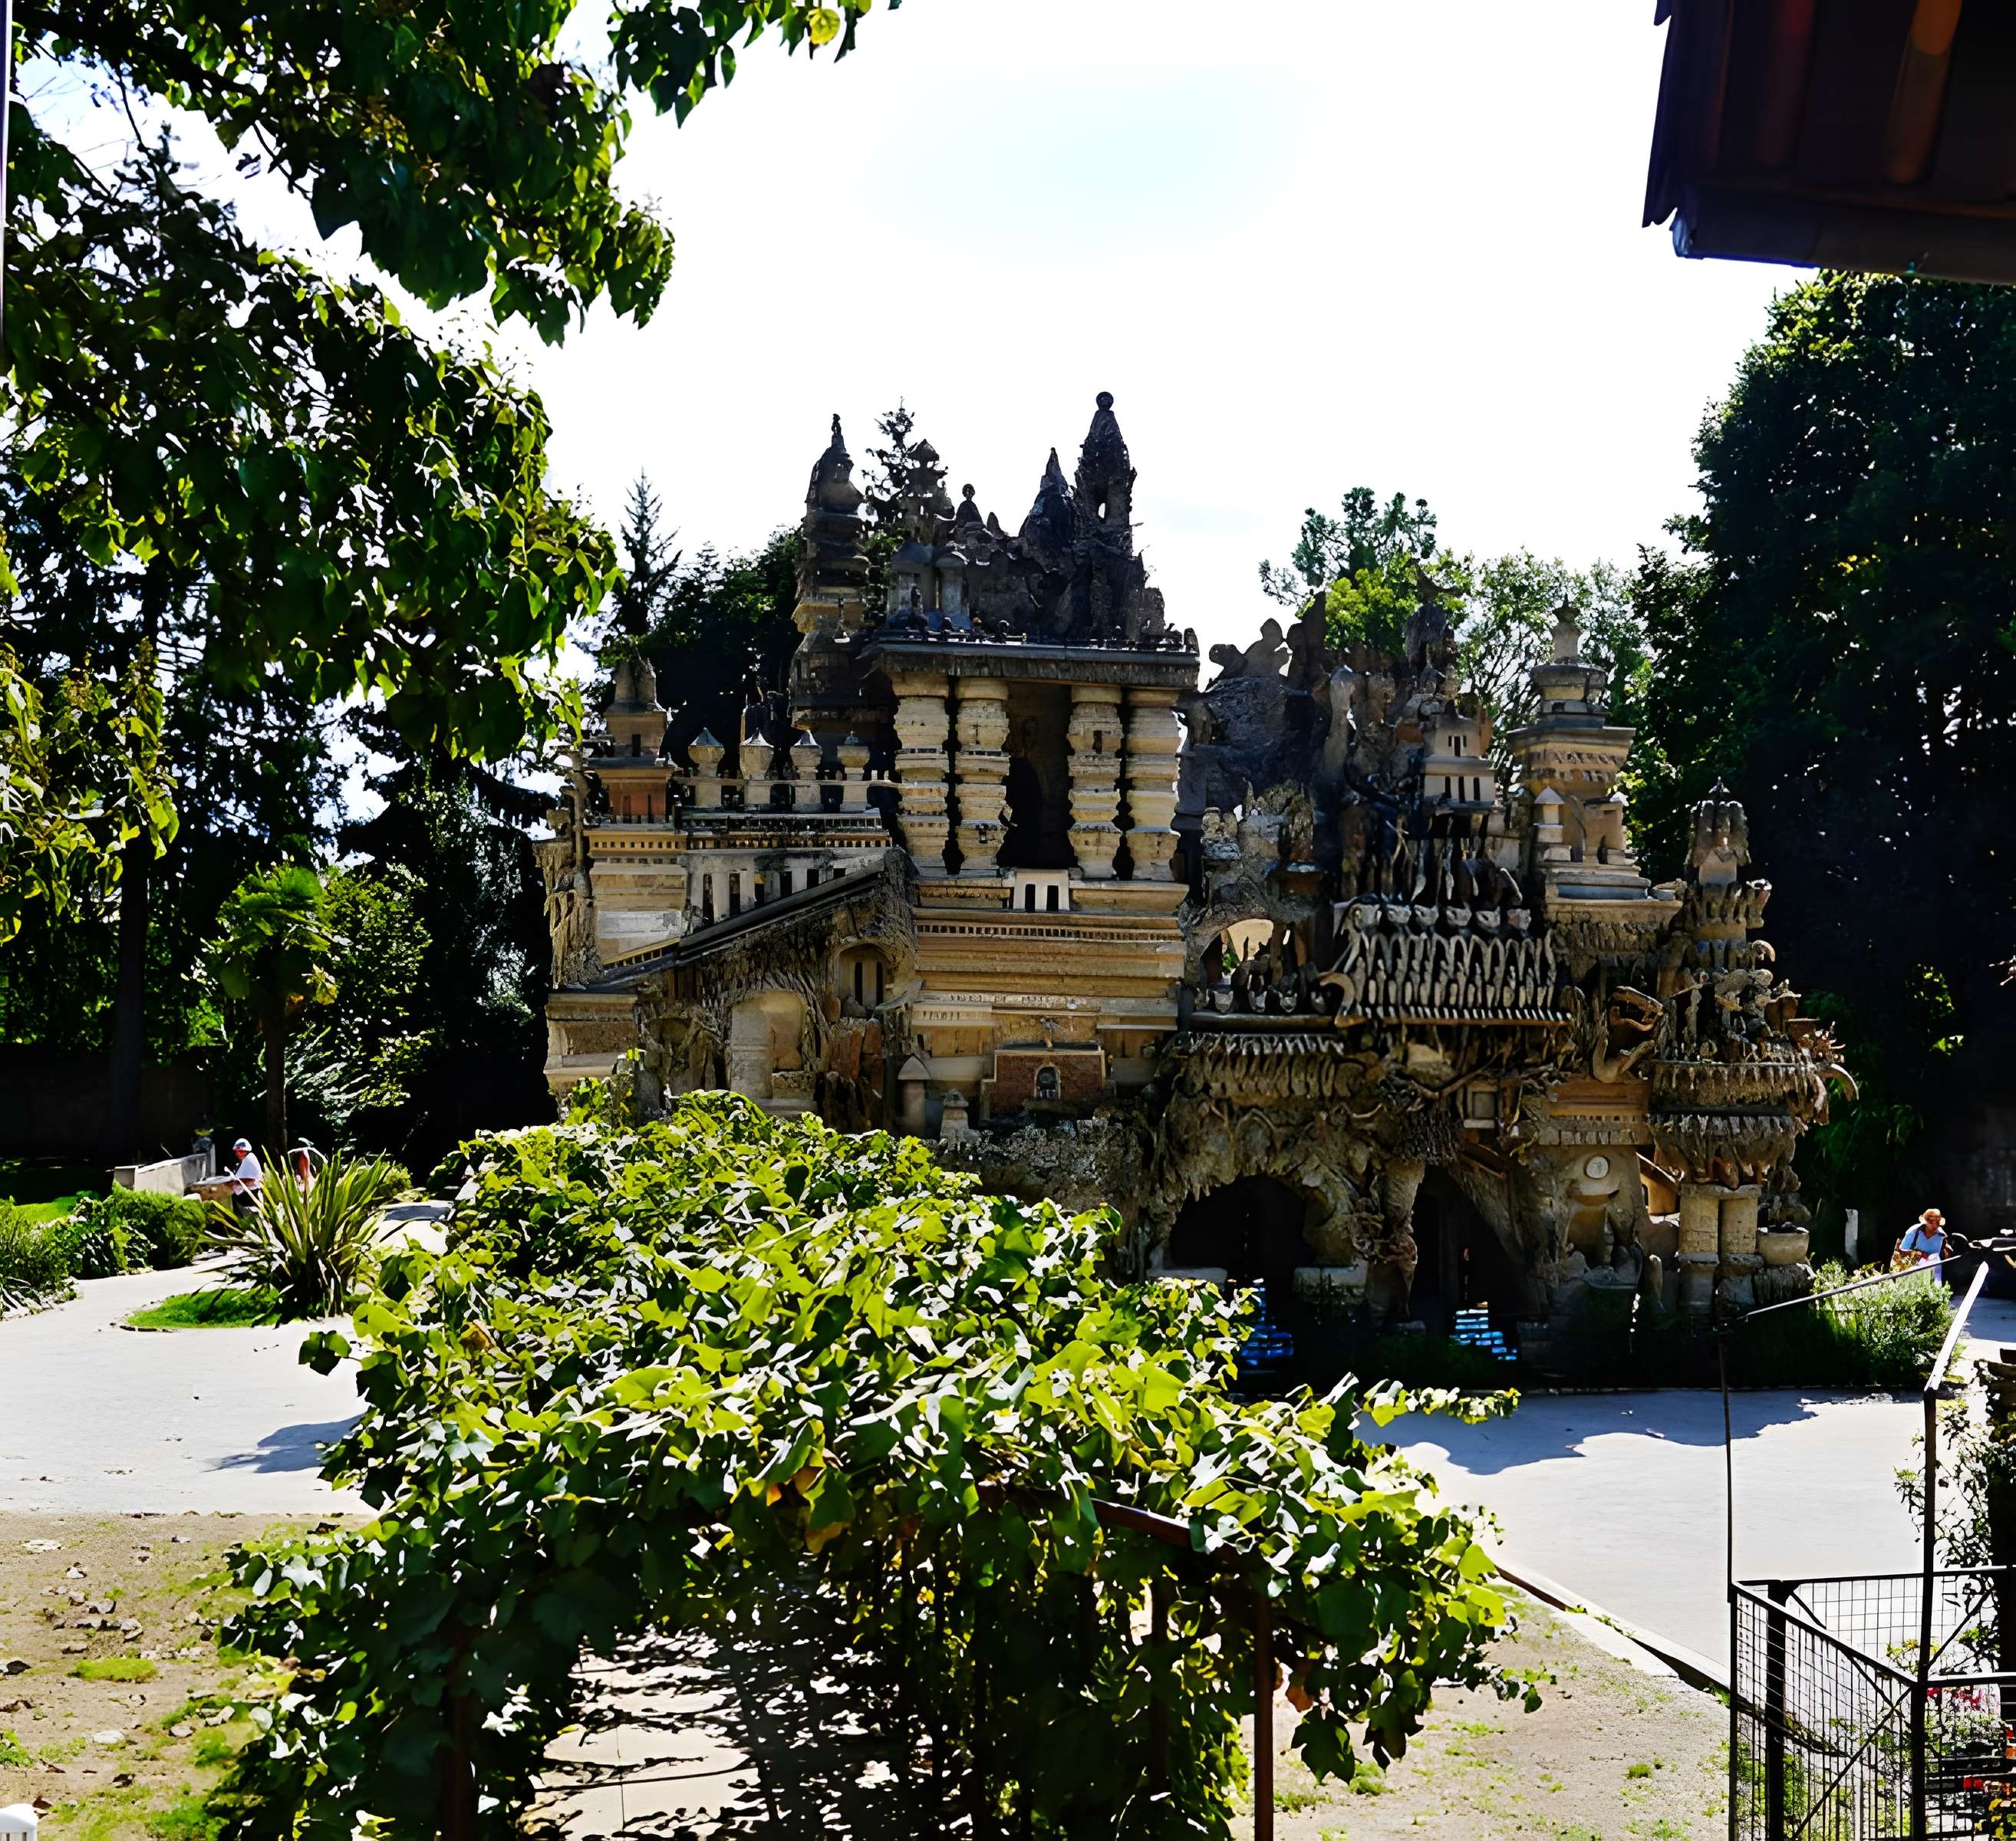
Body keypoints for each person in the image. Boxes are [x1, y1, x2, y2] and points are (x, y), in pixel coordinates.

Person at [1894, 1207, 1948, 1271]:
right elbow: (1902, 1252)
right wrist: (1920, 1257)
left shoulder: (1940, 1236)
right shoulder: (1913, 1232)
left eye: (1935, 1223)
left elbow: (1935, 1256)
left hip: (1928, 1267)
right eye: (1930, 1222)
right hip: (1907, 1265)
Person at [227, 1139, 263, 1218]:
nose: (238, 1154)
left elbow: (251, 1179)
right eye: (236, 1152)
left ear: (246, 1151)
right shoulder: (244, 1160)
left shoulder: (249, 1159)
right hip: (246, 1195)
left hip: (251, 1195)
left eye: (240, 1151)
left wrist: (236, 1182)